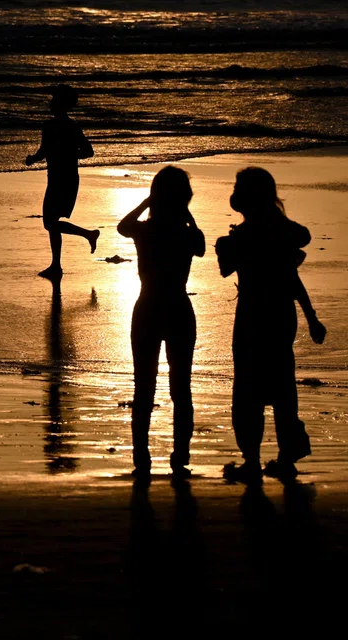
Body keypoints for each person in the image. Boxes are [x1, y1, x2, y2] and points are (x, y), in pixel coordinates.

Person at [216, 167, 327, 485]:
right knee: (281, 385)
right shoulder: (277, 231)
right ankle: (286, 456)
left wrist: (229, 245)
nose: (234, 192)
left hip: (252, 313)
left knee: (248, 386)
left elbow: (226, 269)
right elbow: (292, 273)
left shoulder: (247, 235)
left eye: (238, 187)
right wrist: (311, 317)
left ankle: (252, 459)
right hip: (280, 314)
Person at [118, 166, 206, 478]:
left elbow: (122, 226)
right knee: (181, 389)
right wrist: (187, 214)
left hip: (149, 307)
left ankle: (141, 457)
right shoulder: (186, 233)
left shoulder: (146, 229)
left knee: (144, 387)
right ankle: (180, 455)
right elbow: (201, 246)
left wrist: (146, 202)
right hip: (178, 307)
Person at [26, 83, 100, 279]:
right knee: (52, 221)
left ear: (61, 103)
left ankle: (88, 235)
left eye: (54, 100)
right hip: (62, 178)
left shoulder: (59, 126)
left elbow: (88, 152)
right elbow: (44, 150)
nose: (50, 103)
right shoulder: (65, 126)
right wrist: (34, 159)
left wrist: (64, 154)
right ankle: (56, 265)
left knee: (50, 223)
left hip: (63, 179)